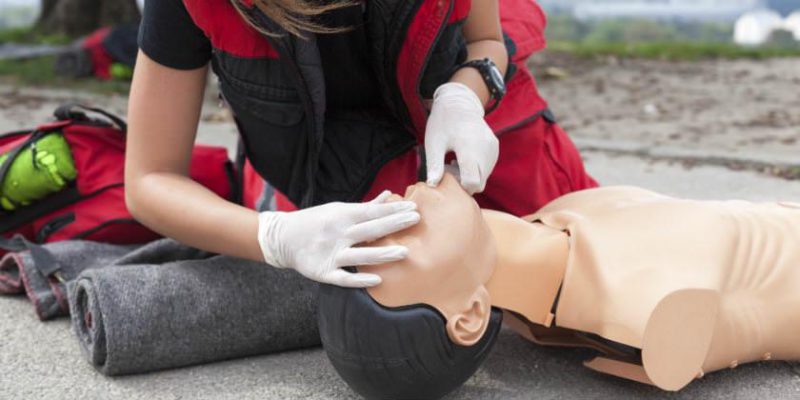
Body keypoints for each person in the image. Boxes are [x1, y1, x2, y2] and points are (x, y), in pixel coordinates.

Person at [124, 0, 596, 288]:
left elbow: (488, 40)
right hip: (324, 183)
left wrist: (465, 96)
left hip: (490, 140)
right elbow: (150, 179)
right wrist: (273, 238)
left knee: (595, 258)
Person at [319, 174, 800, 399]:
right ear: (468, 317)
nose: (389, 206)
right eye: (399, 240)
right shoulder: (649, 311)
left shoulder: (557, 219)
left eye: (372, 227)